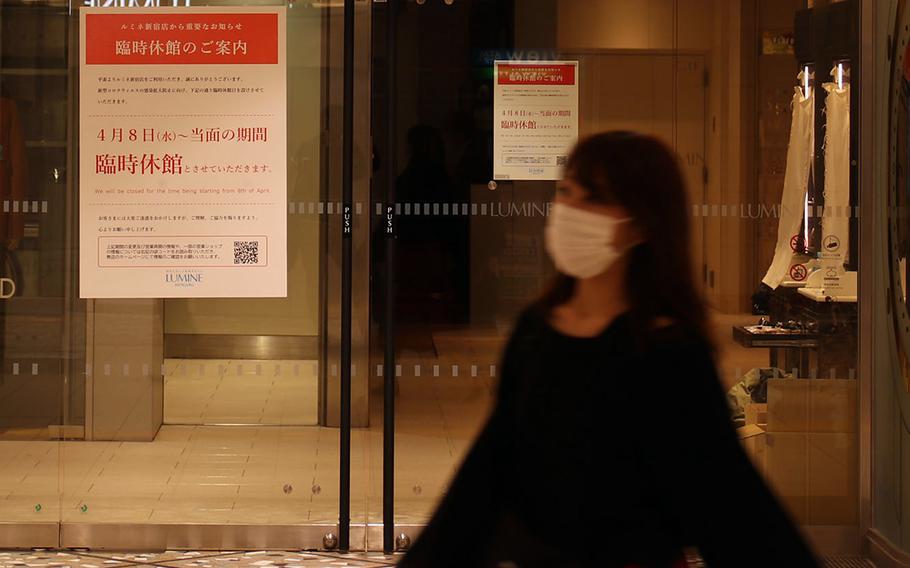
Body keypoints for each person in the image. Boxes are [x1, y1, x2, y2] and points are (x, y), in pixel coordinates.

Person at [398, 132, 820, 567]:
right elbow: (485, 478)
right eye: (566, 192)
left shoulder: (666, 353)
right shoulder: (537, 332)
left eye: (594, 198)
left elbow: (729, 504)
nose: (570, 210)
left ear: (640, 224)